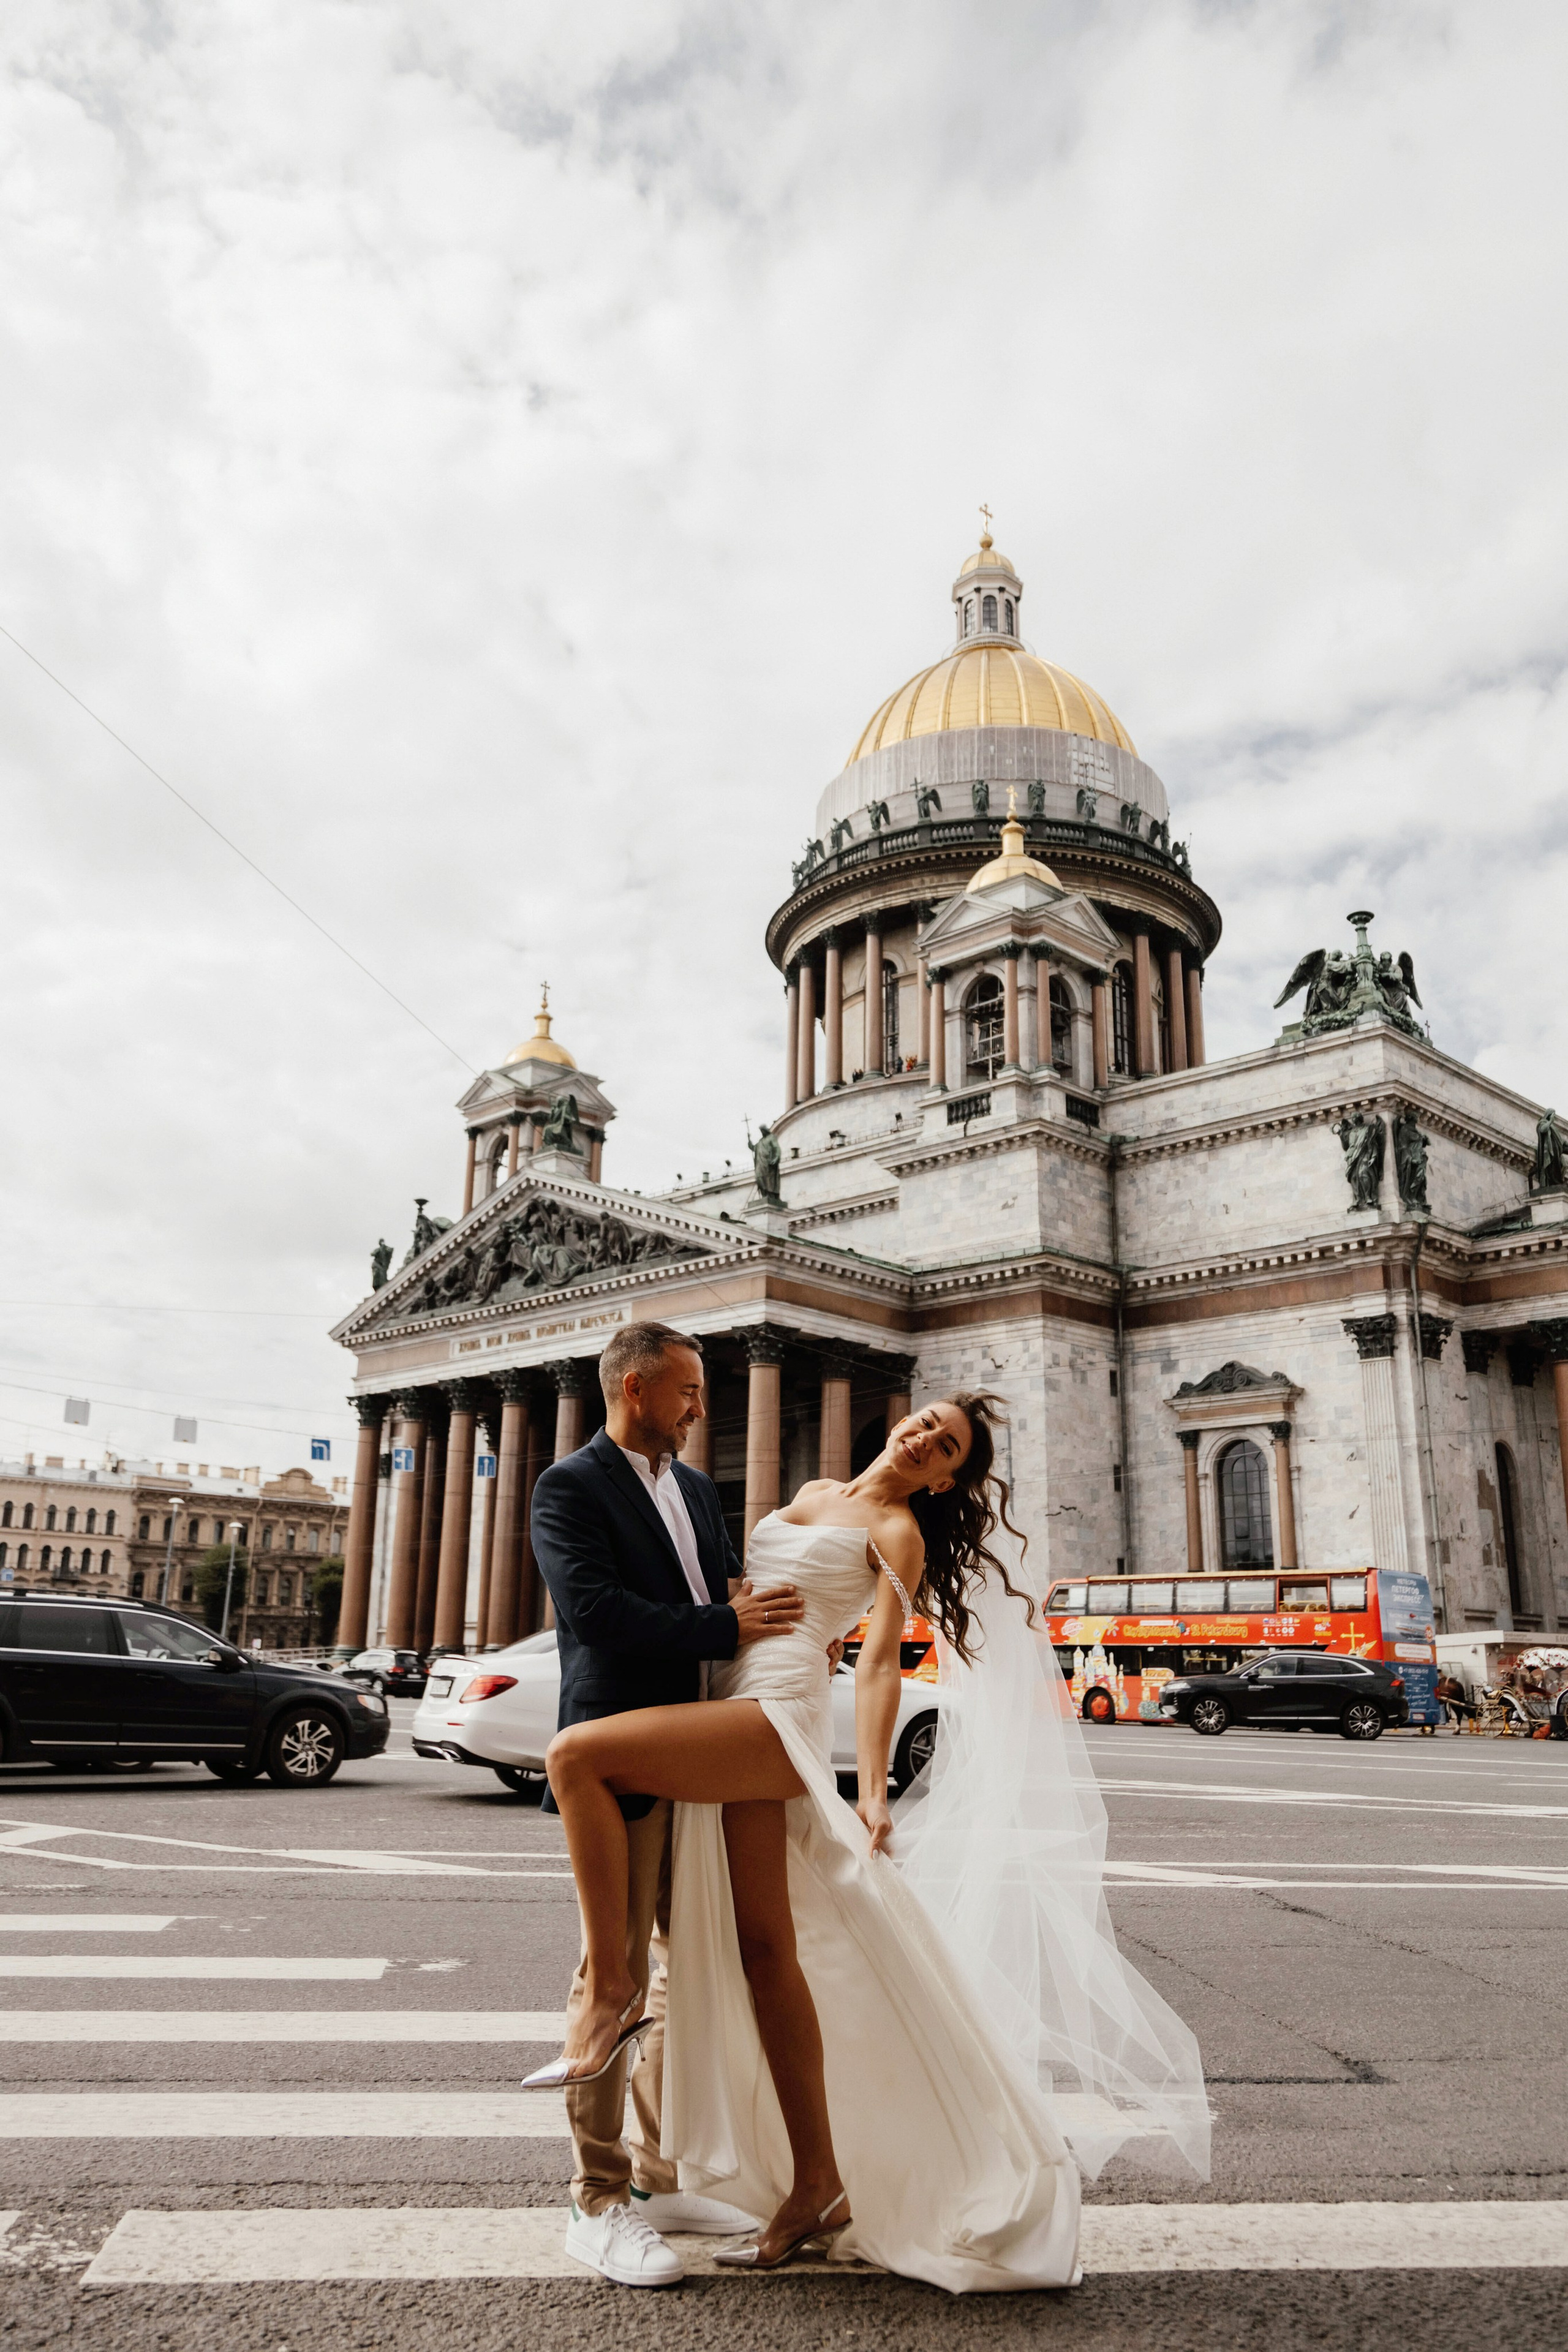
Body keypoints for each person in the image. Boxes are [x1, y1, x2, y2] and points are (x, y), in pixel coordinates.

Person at [535, 1387, 1210, 2292]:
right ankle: (818, 2178)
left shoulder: (899, 1530)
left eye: (948, 1446)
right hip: (728, 1689)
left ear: (944, 1479)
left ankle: (611, 1998)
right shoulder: (812, 1489)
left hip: (775, 1709)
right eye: (928, 1421)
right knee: (765, 1952)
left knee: (577, 1756)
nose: (928, 1437)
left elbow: (882, 1658)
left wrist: (878, 1789)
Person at [526, 1321, 805, 2289]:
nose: (700, 1408)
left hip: (706, 1750)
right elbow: (595, 1612)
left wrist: (770, 1627)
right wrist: (729, 1618)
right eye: (687, 1391)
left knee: (696, 1971)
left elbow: (711, 1589)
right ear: (636, 1389)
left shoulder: (693, 1488)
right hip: (623, 1753)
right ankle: (596, 2200)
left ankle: (650, 2178)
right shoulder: (569, 1487)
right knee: (612, 1976)